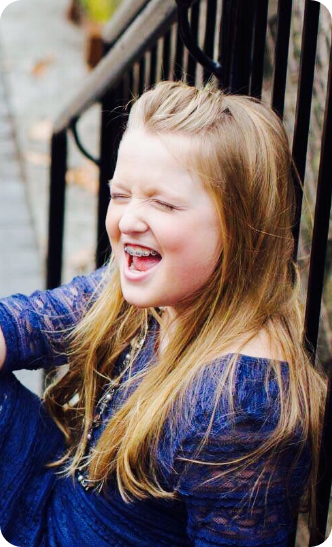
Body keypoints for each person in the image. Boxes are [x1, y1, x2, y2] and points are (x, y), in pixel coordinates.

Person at [0, 80, 326, 547]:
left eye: (164, 203)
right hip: (53, 489)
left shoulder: (238, 409)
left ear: (240, 227)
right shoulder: (160, 291)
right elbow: (31, 321)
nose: (129, 220)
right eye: (120, 195)